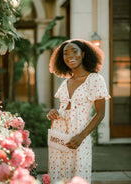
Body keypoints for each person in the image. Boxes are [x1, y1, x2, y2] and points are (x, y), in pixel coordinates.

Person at [47, 39, 110, 184]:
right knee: (58, 175)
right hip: (59, 135)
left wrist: (81, 136)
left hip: (79, 135)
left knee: (78, 177)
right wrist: (53, 112)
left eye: (74, 51)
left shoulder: (94, 79)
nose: (70, 55)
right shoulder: (65, 82)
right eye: (66, 53)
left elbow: (100, 114)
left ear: (83, 54)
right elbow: (64, 109)